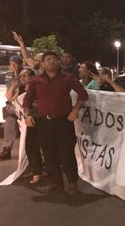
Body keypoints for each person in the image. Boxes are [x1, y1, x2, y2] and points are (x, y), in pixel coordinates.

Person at [23, 51, 88, 194]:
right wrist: (27, 115)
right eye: (47, 59)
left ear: (58, 62)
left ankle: (72, 184)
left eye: (53, 59)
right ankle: (55, 183)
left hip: (64, 121)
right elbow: (27, 99)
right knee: (49, 154)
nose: (50, 62)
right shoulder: (36, 80)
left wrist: (75, 111)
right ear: (43, 63)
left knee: (66, 153)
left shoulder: (68, 78)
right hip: (44, 123)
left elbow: (83, 95)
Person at [15, 68, 44, 184]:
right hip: (29, 120)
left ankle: (40, 172)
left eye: (25, 75)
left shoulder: (37, 88)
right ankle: (36, 170)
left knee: (40, 146)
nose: (22, 78)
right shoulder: (22, 88)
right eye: (20, 76)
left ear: (32, 77)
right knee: (30, 146)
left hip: (38, 119)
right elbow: (11, 100)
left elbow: (41, 103)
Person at [0, 55, 24, 161]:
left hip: (23, 105)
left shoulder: (25, 74)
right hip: (12, 105)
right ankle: (6, 149)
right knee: (9, 126)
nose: (13, 65)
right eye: (11, 63)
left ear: (21, 63)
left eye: (15, 63)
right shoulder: (8, 75)